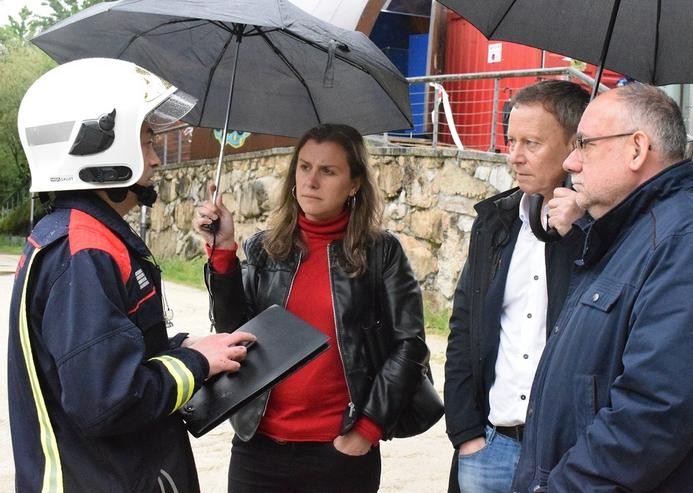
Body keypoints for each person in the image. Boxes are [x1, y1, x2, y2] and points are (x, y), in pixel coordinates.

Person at [8, 58, 256, 493]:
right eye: (146, 142)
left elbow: (101, 357)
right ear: (101, 149)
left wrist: (181, 347)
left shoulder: (80, 236)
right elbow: (106, 401)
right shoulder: (84, 251)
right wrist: (198, 363)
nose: (157, 159)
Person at [511, 83, 693, 492]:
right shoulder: (629, 230)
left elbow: (656, 410)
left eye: (585, 144)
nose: (571, 161)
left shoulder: (689, 239)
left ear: (636, 149)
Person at [194, 123, 429, 493]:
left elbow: (409, 344)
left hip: (339, 453)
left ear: (354, 185)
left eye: (328, 171)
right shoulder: (263, 249)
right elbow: (234, 336)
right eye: (304, 167)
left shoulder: (380, 253)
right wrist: (223, 254)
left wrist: (366, 431)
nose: (311, 181)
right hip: (260, 448)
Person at [444, 80, 589, 493]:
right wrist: (466, 433)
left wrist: (582, 227)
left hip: (564, 456)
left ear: (574, 147)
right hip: (490, 445)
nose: (515, 157)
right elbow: (463, 327)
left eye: (532, 143)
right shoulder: (495, 224)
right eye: (511, 140)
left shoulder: (599, 231)